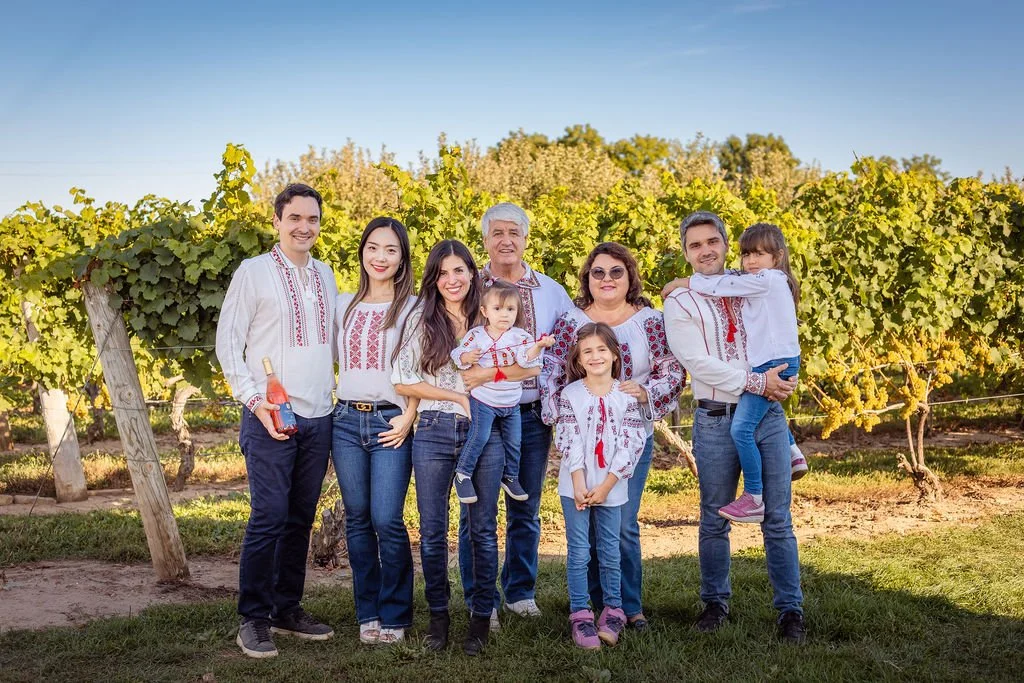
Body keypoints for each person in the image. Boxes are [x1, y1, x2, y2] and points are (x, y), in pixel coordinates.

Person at [662, 210, 806, 643]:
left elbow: (776, 336)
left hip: (766, 412)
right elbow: (696, 361)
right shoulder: (680, 301)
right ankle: (715, 603)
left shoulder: (755, 286)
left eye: (712, 242)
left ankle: (790, 611)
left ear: (726, 245)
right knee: (714, 517)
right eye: (695, 245)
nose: (705, 251)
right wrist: (758, 380)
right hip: (713, 418)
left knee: (778, 519)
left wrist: (778, 378)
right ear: (685, 252)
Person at [216, 183, 338, 659]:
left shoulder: (325, 275)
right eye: (295, 218)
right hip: (269, 416)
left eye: (312, 220)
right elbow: (228, 341)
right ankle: (254, 617)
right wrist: (251, 399)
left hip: (319, 415)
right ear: (277, 221)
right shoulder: (255, 272)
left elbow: (331, 343)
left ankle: (287, 609)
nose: (304, 227)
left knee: (299, 518)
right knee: (267, 516)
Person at [541, 241, 685, 631]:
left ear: (629, 277)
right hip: (582, 434)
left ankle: (627, 606)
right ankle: (590, 605)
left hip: (630, 433)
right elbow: (553, 368)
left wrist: (646, 392)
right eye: (598, 272)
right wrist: (559, 410)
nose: (607, 279)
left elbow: (671, 371)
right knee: (585, 518)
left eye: (616, 272)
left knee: (621, 520)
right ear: (587, 278)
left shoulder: (650, 321)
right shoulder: (571, 321)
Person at [459, 202, 573, 625]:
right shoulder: (470, 289)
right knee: (478, 509)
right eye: (497, 233)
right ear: (486, 240)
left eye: (514, 233)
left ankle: (520, 592)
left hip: (531, 413)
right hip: (485, 410)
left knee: (526, 504)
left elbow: (563, 347)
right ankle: (479, 597)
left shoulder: (551, 290)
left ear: (526, 239)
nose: (506, 241)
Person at [391, 239, 505, 656]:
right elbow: (402, 379)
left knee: (483, 528)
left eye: (459, 270)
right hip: (436, 428)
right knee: (433, 529)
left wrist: (488, 381)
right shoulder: (424, 320)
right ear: (433, 279)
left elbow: (518, 367)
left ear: (473, 273)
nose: (452, 280)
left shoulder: (491, 315)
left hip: (486, 429)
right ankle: (438, 615)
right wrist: (457, 397)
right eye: (443, 273)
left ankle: (480, 617)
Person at [671, 223, 804, 523]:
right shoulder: (759, 279)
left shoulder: (765, 280)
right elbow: (695, 360)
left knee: (741, 429)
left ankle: (753, 497)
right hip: (769, 366)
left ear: (778, 256)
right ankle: (793, 450)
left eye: (759, 254)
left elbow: (720, 285)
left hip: (772, 364)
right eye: (748, 255)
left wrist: (684, 281)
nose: (751, 261)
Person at [332, 217, 418, 645]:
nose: (380, 257)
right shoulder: (343, 304)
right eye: (373, 247)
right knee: (358, 520)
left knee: (387, 518)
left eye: (390, 250)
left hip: (391, 421)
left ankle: (396, 614)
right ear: (362, 251)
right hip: (345, 421)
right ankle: (367, 611)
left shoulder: (414, 307)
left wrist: (411, 413)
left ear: (402, 259)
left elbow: (426, 364)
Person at [555, 322, 647, 650]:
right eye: (587, 352)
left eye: (602, 350)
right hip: (575, 487)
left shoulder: (626, 395)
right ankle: (580, 613)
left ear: (614, 355)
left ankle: (613, 610)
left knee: (610, 551)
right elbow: (569, 438)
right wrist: (579, 483)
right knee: (579, 552)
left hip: (612, 488)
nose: (595, 357)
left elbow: (632, 442)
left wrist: (607, 486)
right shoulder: (571, 395)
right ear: (579, 360)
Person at [450, 281, 555, 504]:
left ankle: (510, 476)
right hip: (484, 400)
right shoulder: (476, 335)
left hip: (511, 403)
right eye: (498, 309)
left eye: (510, 309)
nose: (504, 314)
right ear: (485, 311)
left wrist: (539, 346)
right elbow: (457, 353)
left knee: (515, 441)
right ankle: (463, 474)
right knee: (479, 436)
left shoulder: (520, 337)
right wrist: (466, 358)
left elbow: (527, 361)